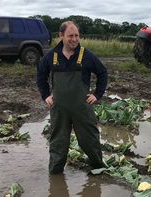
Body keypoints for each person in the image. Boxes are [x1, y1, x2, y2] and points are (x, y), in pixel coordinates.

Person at [37, 21, 108, 174]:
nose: (74, 39)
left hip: (82, 108)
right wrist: (46, 95)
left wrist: (97, 94)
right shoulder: (51, 56)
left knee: (90, 139)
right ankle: (55, 175)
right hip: (59, 109)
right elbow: (41, 76)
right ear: (61, 36)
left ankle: (99, 169)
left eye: (76, 35)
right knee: (58, 142)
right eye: (70, 36)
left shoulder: (87, 55)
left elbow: (102, 73)